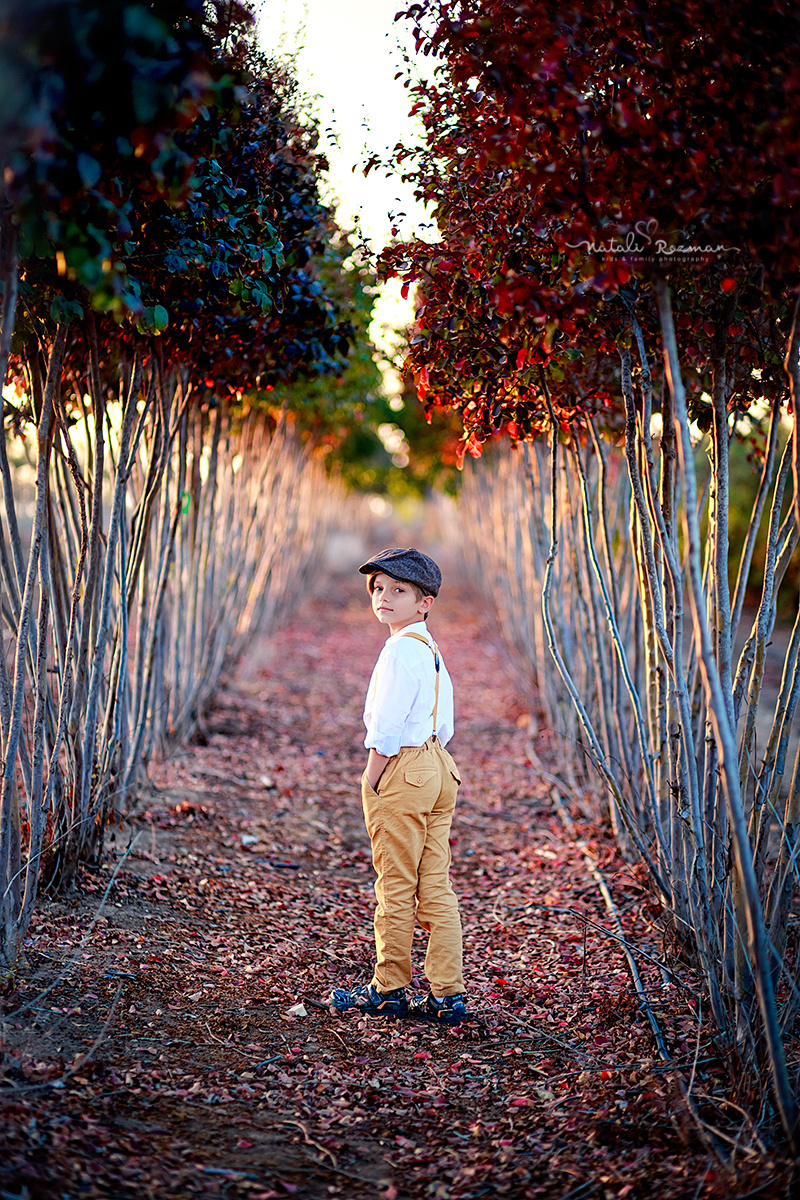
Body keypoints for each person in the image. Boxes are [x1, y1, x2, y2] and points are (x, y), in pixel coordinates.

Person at [329, 547, 468, 1025]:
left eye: (399, 590)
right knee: (435, 885)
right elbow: (445, 721)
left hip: (404, 768)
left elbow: (386, 725)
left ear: (424, 602)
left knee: (395, 883)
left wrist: (373, 775)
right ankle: (448, 995)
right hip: (438, 766)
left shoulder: (397, 651)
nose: (384, 597)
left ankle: (388, 989)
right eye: (379, 588)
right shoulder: (428, 648)